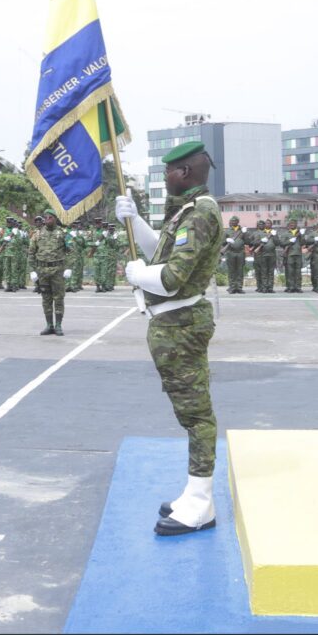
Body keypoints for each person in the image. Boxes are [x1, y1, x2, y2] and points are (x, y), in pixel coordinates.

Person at [117, 141, 222, 537]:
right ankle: (194, 492)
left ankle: (201, 503)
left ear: (184, 173)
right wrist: (135, 221)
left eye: (168, 174)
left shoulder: (200, 213)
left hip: (181, 325)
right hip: (172, 325)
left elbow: (169, 278)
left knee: (197, 416)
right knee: (188, 413)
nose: (165, 180)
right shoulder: (187, 211)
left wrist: (136, 274)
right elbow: (160, 254)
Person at [27, 209, 71, 335]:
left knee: (58, 298)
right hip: (42, 272)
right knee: (46, 299)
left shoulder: (62, 233)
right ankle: (49, 325)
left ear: (55, 219)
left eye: (50, 218)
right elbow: (31, 253)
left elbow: (71, 252)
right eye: (45, 218)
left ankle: (58, 325)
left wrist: (69, 267)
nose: (47, 220)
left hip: (57, 271)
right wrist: (32, 271)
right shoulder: (38, 234)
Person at [277, 218, 305, 292]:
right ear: (289, 225)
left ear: (296, 225)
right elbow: (282, 244)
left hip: (298, 254)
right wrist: (289, 241)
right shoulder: (285, 234)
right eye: (291, 224)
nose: (292, 225)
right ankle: (291, 287)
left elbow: (303, 243)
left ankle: (298, 287)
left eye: (294, 223)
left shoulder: (300, 233)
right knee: (290, 272)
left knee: (298, 272)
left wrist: (301, 235)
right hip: (289, 255)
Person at [221, 216, 247, 293]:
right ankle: (232, 287)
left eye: (235, 221)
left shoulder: (242, 231)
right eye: (232, 221)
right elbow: (222, 243)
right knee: (231, 271)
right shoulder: (227, 231)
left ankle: (239, 287)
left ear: (238, 222)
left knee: (240, 270)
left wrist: (245, 233)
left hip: (240, 252)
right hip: (230, 252)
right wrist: (226, 240)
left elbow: (248, 241)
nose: (233, 222)